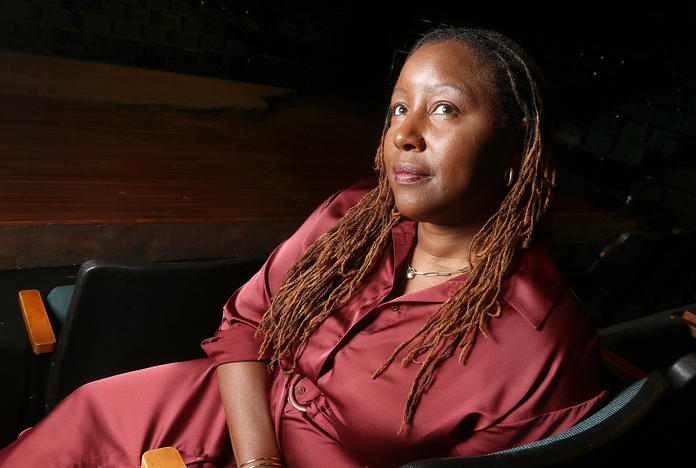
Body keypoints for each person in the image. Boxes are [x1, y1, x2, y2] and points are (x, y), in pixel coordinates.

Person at [0, 27, 608, 468]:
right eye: (399, 108)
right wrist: (257, 460)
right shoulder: (351, 214)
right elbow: (246, 327)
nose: (405, 133)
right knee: (83, 420)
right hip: (227, 406)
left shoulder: (540, 345)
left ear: (514, 152)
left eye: (443, 109)